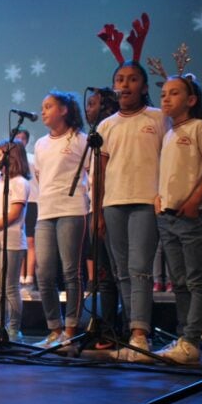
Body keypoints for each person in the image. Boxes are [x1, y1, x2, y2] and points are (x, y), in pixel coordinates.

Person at [96, 13, 169, 362]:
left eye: (132, 79)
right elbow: (102, 170)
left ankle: (141, 334)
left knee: (140, 268)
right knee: (122, 271)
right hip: (113, 204)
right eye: (120, 79)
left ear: (143, 86)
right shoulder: (106, 125)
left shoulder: (158, 118)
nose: (125, 84)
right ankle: (131, 332)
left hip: (144, 201)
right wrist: (97, 210)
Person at [153, 74, 202, 364]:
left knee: (195, 280)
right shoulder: (168, 133)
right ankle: (182, 339)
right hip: (167, 217)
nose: (166, 98)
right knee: (179, 281)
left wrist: (194, 200)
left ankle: (192, 339)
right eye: (164, 94)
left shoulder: (199, 128)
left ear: (191, 100)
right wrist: (158, 199)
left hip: (191, 217)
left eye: (174, 93)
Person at [32, 91, 89, 347]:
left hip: (72, 210)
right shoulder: (41, 144)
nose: (43, 111)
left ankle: (71, 329)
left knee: (70, 271)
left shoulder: (79, 139)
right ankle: (54, 330)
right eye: (42, 107)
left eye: (48, 106)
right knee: (43, 272)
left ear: (64, 110)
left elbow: (93, 172)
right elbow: (40, 177)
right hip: (46, 212)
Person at [0, 139, 30, 342]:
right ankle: (0, 326)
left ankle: (13, 329)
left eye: (0, 155)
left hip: (11, 240)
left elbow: (14, 213)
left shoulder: (20, 182)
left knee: (10, 287)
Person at [85, 88, 122, 348]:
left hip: (114, 205)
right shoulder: (93, 137)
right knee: (104, 276)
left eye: (93, 103)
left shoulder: (112, 130)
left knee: (124, 273)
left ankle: (133, 330)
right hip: (95, 208)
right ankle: (107, 329)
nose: (88, 108)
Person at [13, 129, 38, 291]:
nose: (20, 140)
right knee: (18, 239)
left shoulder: (33, 159)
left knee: (30, 241)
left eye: (23, 138)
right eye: (17, 138)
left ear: (27, 141)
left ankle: (29, 277)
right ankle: (19, 277)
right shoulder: (11, 160)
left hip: (33, 201)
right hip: (16, 202)